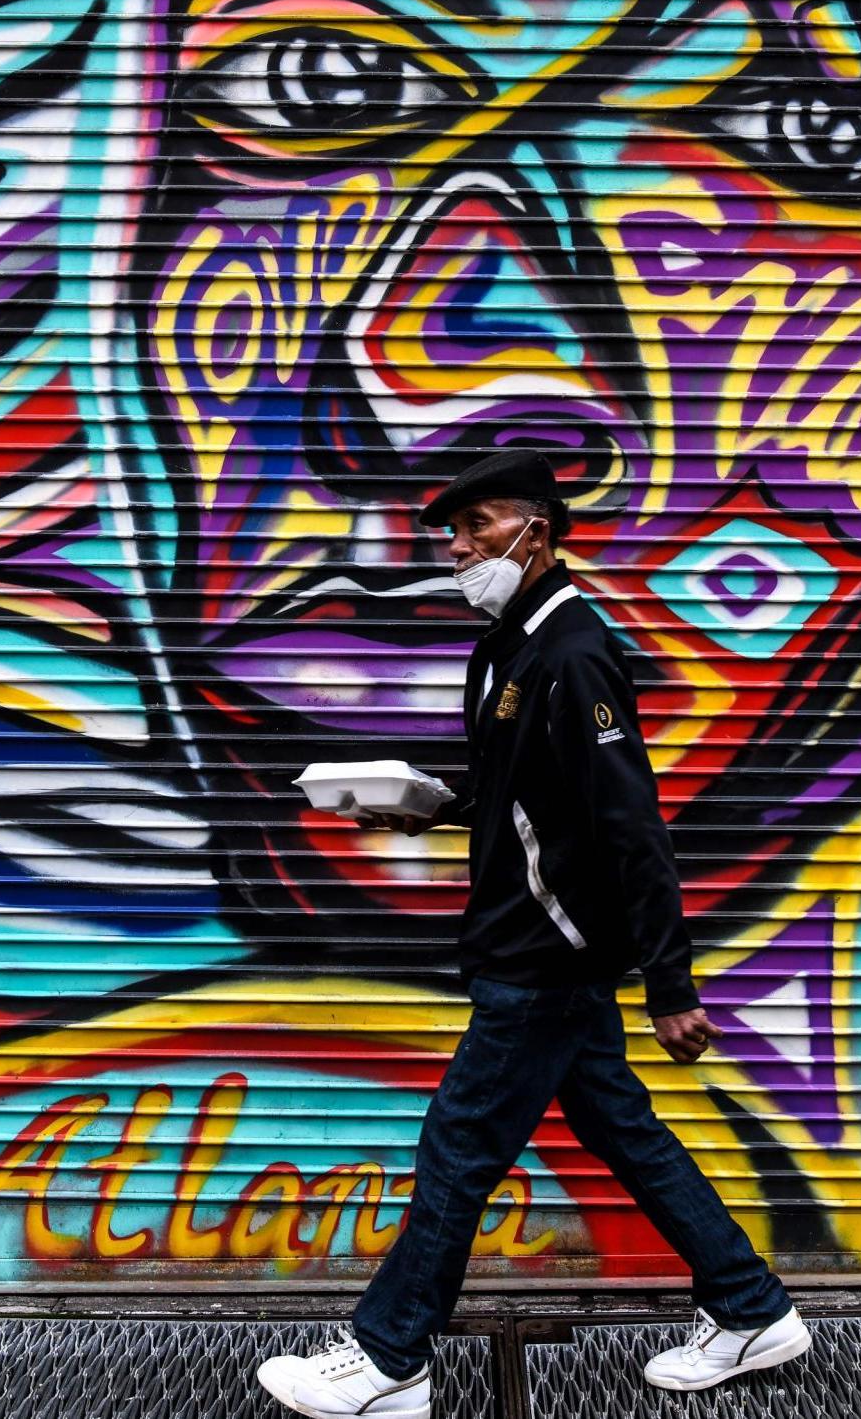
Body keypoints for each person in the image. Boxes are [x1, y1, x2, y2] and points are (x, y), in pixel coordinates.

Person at [258, 449, 811, 1419]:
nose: (459, 547)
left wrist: (669, 980)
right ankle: (748, 1305)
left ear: (536, 531)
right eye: (453, 532)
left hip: (544, 956)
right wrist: (428, 807)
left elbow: (626, 822)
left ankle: (388, 1358)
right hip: (534, 945)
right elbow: (517, 789)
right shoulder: (510, 644)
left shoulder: (571, 651)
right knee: (623, 1132)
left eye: (477, 527)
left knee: (458, 1148)